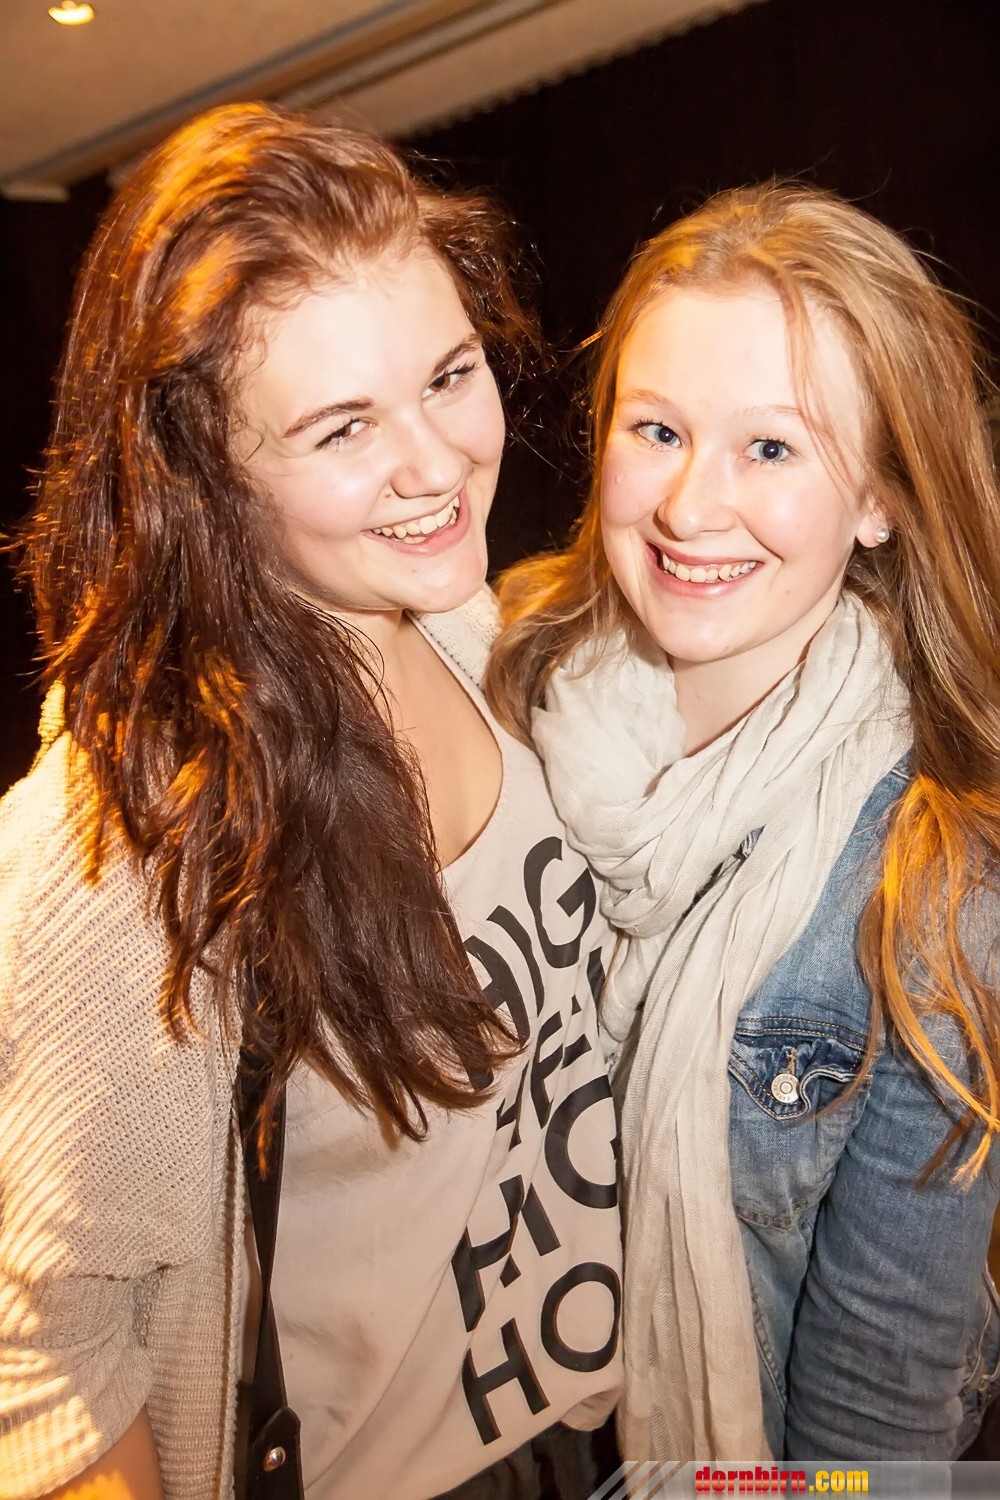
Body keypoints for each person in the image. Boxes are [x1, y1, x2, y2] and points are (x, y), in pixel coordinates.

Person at [0, 104, 623, 1500]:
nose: (437, 463)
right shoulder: (125, 854)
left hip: (599, 1435)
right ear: (203, 475)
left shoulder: (462, 628)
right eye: (344, 427)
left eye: (449, 375)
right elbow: (45, 1355)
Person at [485, 183, 1000, 1462]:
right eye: (656, 429)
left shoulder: (937, 881)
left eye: (770, 449)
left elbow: (880, 1411)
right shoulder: (486, 698)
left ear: (879, 498)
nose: (688, 506)